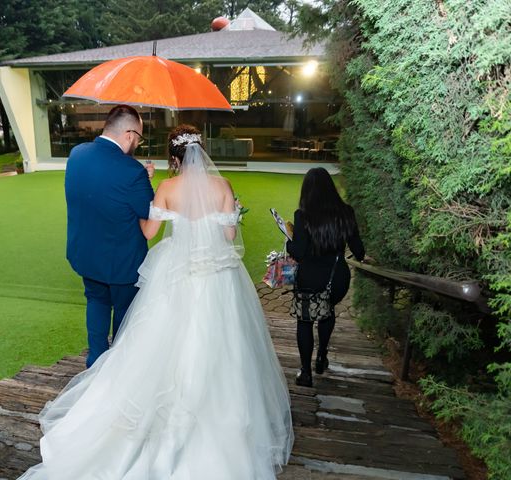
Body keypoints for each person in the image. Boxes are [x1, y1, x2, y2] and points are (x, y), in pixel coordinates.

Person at [18, 125, 293, 480]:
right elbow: (228, 235)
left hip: (176, 271)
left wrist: (147, 192)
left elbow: (149, 232)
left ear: (174, 160)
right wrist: (234, 213)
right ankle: (219, 415)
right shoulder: (222, 187)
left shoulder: (166, 187)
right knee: (222, 343)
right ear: (200, 152)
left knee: (161, 340)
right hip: (218, 276)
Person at [65, 105, 155, 368]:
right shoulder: (132, 170)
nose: (137, 144)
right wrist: (145, 179)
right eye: (139, 138)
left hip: (86, 255)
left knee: (96, 300)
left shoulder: (77, 154)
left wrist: (139, 176)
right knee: (125, 314)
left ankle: (95, 359)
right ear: (129, 134)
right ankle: (117, 367)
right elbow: (147, 212)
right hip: (122, 262)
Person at [286, 167, 365, 387]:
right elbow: (359, 250)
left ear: (307, 190)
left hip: (310, 279)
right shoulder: (346, 212)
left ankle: (305, 372)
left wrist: (288, 241)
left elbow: (299, 251)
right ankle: (321, 355)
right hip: (337, 279)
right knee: (326, 310)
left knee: (305, 320)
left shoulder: (302, 215)